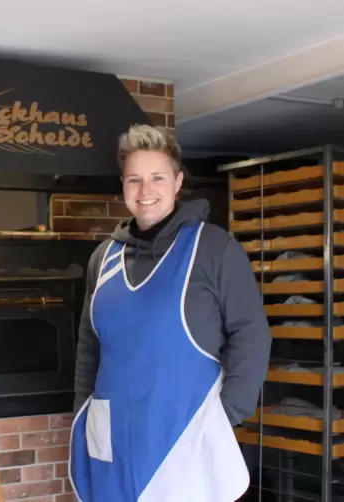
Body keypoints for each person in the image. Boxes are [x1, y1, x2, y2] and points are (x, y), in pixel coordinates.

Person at [68, 124, 271, 502]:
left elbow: (252, 335)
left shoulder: (214, 249)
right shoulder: (103, 259)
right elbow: (88, 348)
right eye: (135, 179)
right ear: (124, 186)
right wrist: (83, 414)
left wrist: (225, 417)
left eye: (157, 177)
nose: (146, 191)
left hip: (186, 438)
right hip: (113, 440)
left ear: (178, 182)